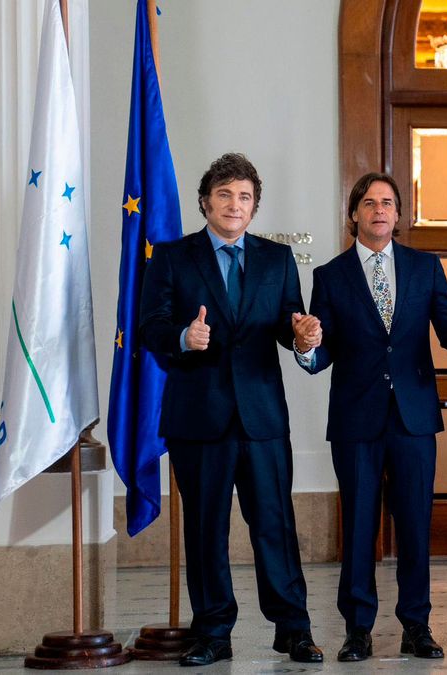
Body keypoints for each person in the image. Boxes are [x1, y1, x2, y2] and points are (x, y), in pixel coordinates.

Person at [139, 153, 323, 667]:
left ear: (255, 206)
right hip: (199, 419)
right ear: (205, 202)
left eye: (244, 196)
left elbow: (290, 327)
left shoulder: (276, 259)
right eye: (224, 195)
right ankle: (213, 633)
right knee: (206, 529)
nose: (234, 204)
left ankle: (294, 628)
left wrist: (302, 335)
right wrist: (183, 335)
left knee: (275, 525)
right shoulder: (172, 258)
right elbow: (149, 326)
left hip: (262, 418)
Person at [297, 172, 447, 663]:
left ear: (398, 215)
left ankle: (416, 626)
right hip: (356, 420)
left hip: (414, 416)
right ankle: (358, 629)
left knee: (415, 526)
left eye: (387, 203)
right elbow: (323, 349)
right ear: (354, 214)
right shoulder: (331, 276)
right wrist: (306, 346)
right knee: (359, 526)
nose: (379, 210)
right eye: (368, 202)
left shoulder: (425, 268)